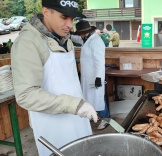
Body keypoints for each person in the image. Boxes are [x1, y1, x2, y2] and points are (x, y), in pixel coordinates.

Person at [11, 0, 98, 155]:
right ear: (46, 12)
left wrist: (79, 106)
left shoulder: (63, 36)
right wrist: (75, 105)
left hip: (77, 117)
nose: (70, 25)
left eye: (72, 19)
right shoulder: (28, 42)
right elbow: (26, 95)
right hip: (53, 126)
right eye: (64, 17)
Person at [71, 20, 110, 118]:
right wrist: (67, 34)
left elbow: (100, 61)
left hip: (94, 77)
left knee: (98, 100)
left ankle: (106, 120)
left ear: (86, 32)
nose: (80, 36)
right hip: (88, 77)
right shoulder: (86, 39)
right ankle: (95, 118)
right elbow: (76, 39)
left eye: (81, 33)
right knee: (91, 99)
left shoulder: (95, 41)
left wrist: (98, 77)